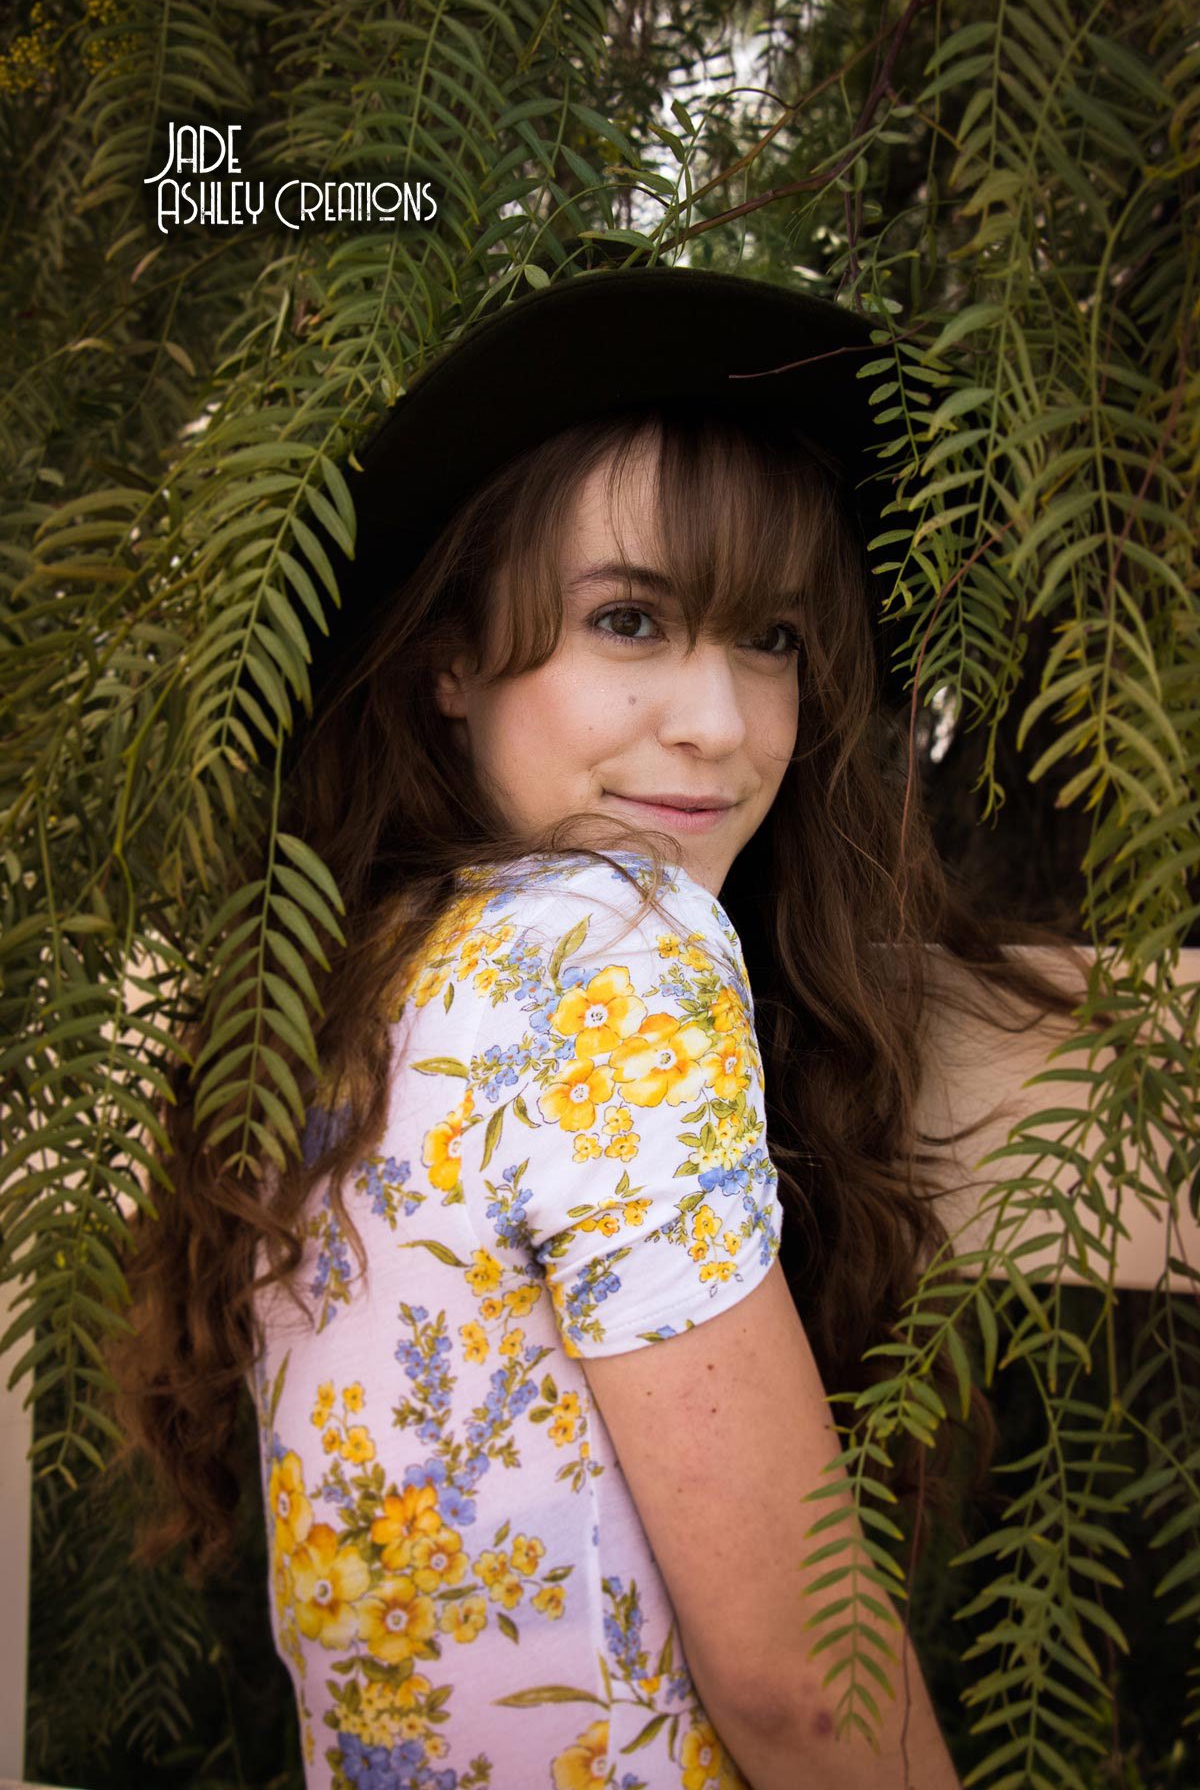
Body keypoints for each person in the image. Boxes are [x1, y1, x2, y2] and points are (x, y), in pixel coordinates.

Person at [113, 264, 1097, 1790]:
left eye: (773, 638)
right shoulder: (614, 946)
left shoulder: (350, 964)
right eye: (629, 619)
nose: (720, 720)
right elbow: (796, 1681)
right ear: (450, 656)